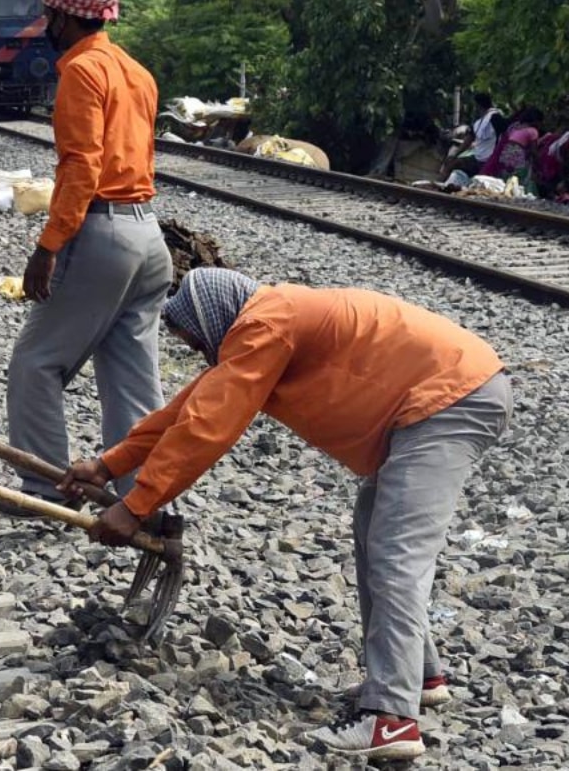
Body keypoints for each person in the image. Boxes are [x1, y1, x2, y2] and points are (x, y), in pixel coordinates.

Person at [59, 268, 512, 761]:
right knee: (375, 534)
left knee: (398, 553)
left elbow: (208, 428)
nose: (195, 351)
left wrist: (136, 505)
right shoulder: (264, 324)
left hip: (449, 399)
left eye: (193, 340)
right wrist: (108, 465)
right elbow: (187, 411)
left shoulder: (265, 324)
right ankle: (419, 677)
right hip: (441, 396)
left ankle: (391, 721)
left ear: (213, 320)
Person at [0, 0, 174, 516]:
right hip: (149, 237)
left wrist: (48, 247)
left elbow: (82, 168)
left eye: (49, 13)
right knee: (132, 378)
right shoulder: (136, 71)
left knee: (36, 363)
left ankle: (44, 490)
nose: (46, 22)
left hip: (104, 235)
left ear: (64, 17)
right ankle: (146, 499)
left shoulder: (81, 71)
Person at [436, 92, 501, 180]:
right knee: (451, 163)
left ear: (478, 105)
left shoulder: (495, 118)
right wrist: (454, 155)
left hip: (488, 160)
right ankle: (439, 186)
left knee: (453, 164)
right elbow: (468, 140)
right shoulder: (479, 122)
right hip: (477, 158)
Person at [481, 106, 543, 183]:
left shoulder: (515, 127)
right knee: (520, 177)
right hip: (517, 151)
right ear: (537, 121)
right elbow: (534, 152)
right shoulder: (533, 131)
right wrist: (540, 164)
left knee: (507, 176)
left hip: (506, 151)